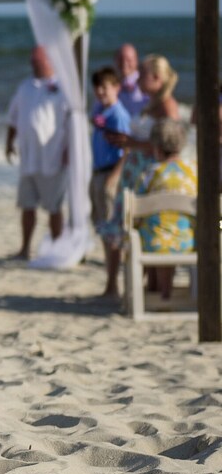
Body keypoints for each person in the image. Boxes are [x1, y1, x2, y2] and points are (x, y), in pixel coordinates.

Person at [101, 53, 181, 297]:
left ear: (157, 78)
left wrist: (133, 143)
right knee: (121, 223)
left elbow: (171, 144)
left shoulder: (167, 106)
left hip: (147, 171)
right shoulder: (150, 103)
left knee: (141, 223)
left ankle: (143, 286)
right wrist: (127, 143)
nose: (138, 78)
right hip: (134, 168)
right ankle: (117, 284)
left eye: (144, 74)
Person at [5, 46, 71, 259]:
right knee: (27, 205)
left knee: (54, 207)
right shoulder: (25, 86)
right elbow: (13, 118)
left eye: (38, 61)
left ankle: (58, 248)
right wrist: (9, 142)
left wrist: (68, 149)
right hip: (29, 157)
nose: (34, 64)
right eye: (32, 61)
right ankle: (25, 248)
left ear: (50, 62)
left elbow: (70, 123)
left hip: (52, 157)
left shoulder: (62, 88)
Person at [135, 118, 196, 300]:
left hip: (154, 242)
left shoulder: (150, 173)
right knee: (175, 227)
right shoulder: (194, 171)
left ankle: (160, 291)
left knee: (150, 229)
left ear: (157, 149)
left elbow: (137, 205)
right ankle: (163, 291)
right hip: (188, 241)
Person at [89, 66, 131, 298]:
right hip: (97, 172)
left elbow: (127, 149)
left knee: (111, 231)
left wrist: (114, 178)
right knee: (101, 226)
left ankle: (113, 284)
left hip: (109, 174)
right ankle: (110, 281)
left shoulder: (118, 114)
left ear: (116, 87)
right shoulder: (101, 110)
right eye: (97, 87)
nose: (100, 92)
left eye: (105, 87)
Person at [115, 43, 148, 118]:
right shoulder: (111, 83)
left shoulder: (144, 82)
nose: (124, 63)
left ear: (136, 61)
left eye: (129, 60)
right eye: (121, 59)